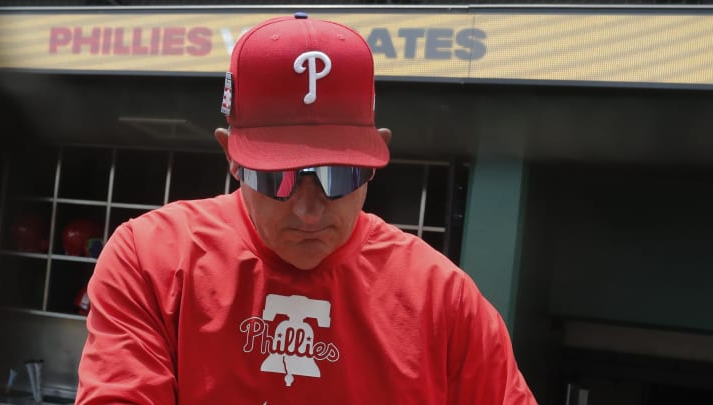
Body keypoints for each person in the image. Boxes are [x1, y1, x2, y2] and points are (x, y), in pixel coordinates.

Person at [75, 13, 537, 405]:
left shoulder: (444, 300)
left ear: (376, 158)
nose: (310, 212)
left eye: (340, 176)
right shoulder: (151, 259)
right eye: (280, 178)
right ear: (232, 158)